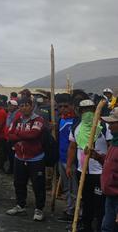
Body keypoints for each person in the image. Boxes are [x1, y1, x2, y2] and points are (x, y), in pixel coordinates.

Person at [67, 99, 110, 231]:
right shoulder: (76, 127)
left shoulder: (104, 126)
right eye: (84, 110)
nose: (87, 113)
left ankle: (100, 228)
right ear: (80, 112)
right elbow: (73, 147)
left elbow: (111, 147)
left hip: (100, 172)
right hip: (83, 171)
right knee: (85, 200)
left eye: (90, 110)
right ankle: (86, 226)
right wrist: (69, 165)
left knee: (100, 204)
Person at [6, 97, 46, 222]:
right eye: (21, 106)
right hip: (19, 156)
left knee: (38, 185)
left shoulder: (38, 119)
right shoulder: (17, 119)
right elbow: (9, 134)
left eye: (26, 105)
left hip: (35, 158)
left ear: (31, 106)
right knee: (19, 183)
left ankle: (39, 209)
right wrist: (20, 136)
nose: (24, 108)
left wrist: (17, 135)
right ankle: (20, 205)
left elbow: (34, 134)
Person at [55, 93, 78, 222]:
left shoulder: (76, 121)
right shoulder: (60, 120)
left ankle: (76, 213)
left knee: (74, 188)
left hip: (72, 161)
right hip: (61, 158)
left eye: (66, 106)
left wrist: (70, 162)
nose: (63, 109)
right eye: (60, 106)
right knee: (66, 187)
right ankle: (69, 209)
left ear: (72, 106)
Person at [100, 108, 118, 231]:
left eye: (112, 123)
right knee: (107, 227)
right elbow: (110, 163)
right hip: (110, 194)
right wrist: (97, 157)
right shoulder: (114, 143)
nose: (109, 127)